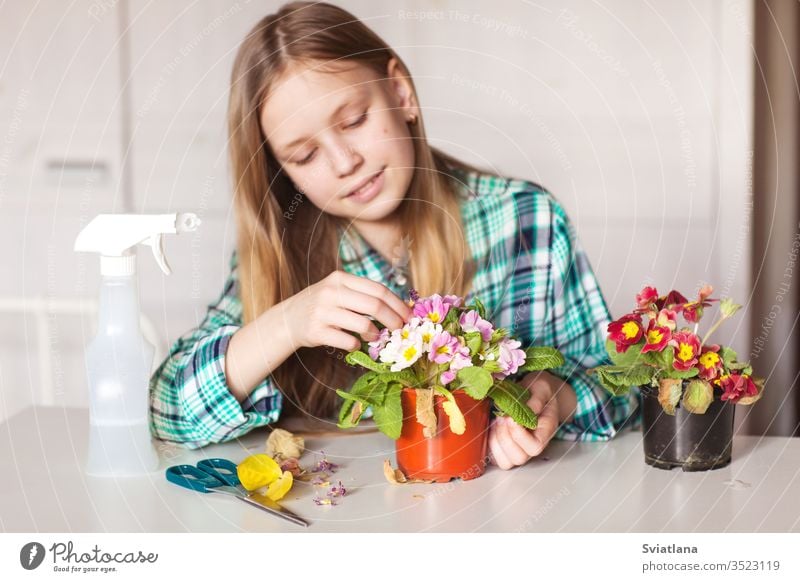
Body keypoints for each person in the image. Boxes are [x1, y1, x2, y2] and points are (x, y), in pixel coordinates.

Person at [149, 1, 640, 468]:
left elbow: (625, 387)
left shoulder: (524, 219)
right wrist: (286, 324)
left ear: (400, 93)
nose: (346, 163)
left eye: (355, 120)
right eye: (305, 156)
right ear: (284, 174)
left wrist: (558, 394)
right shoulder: (285, 254)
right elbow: (166, 411)